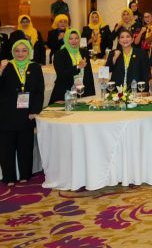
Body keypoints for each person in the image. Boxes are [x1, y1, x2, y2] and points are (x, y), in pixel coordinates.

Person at [0, 40, 44, 185]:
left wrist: (34, 111)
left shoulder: (35, 67)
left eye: (24, 50)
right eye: (17, 50)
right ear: (12, 52)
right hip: (7, 113)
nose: (20, 53)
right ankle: (9, 177)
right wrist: (0, 71)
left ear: (29, 52)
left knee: (25, 145)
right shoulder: (6, 66)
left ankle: (25, 174)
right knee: (7, 147)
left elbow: (39, 91)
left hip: (27, 112)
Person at [50, 28, 95, 104]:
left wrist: (91, 95)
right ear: (66, 40)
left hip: (82, 92)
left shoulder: (84, 52)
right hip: (65, 93)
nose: (74, 41)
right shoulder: (59, 54)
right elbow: (61, 74)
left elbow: (89, 75)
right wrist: (77, 67)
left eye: (76, 38)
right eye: (70, 38)